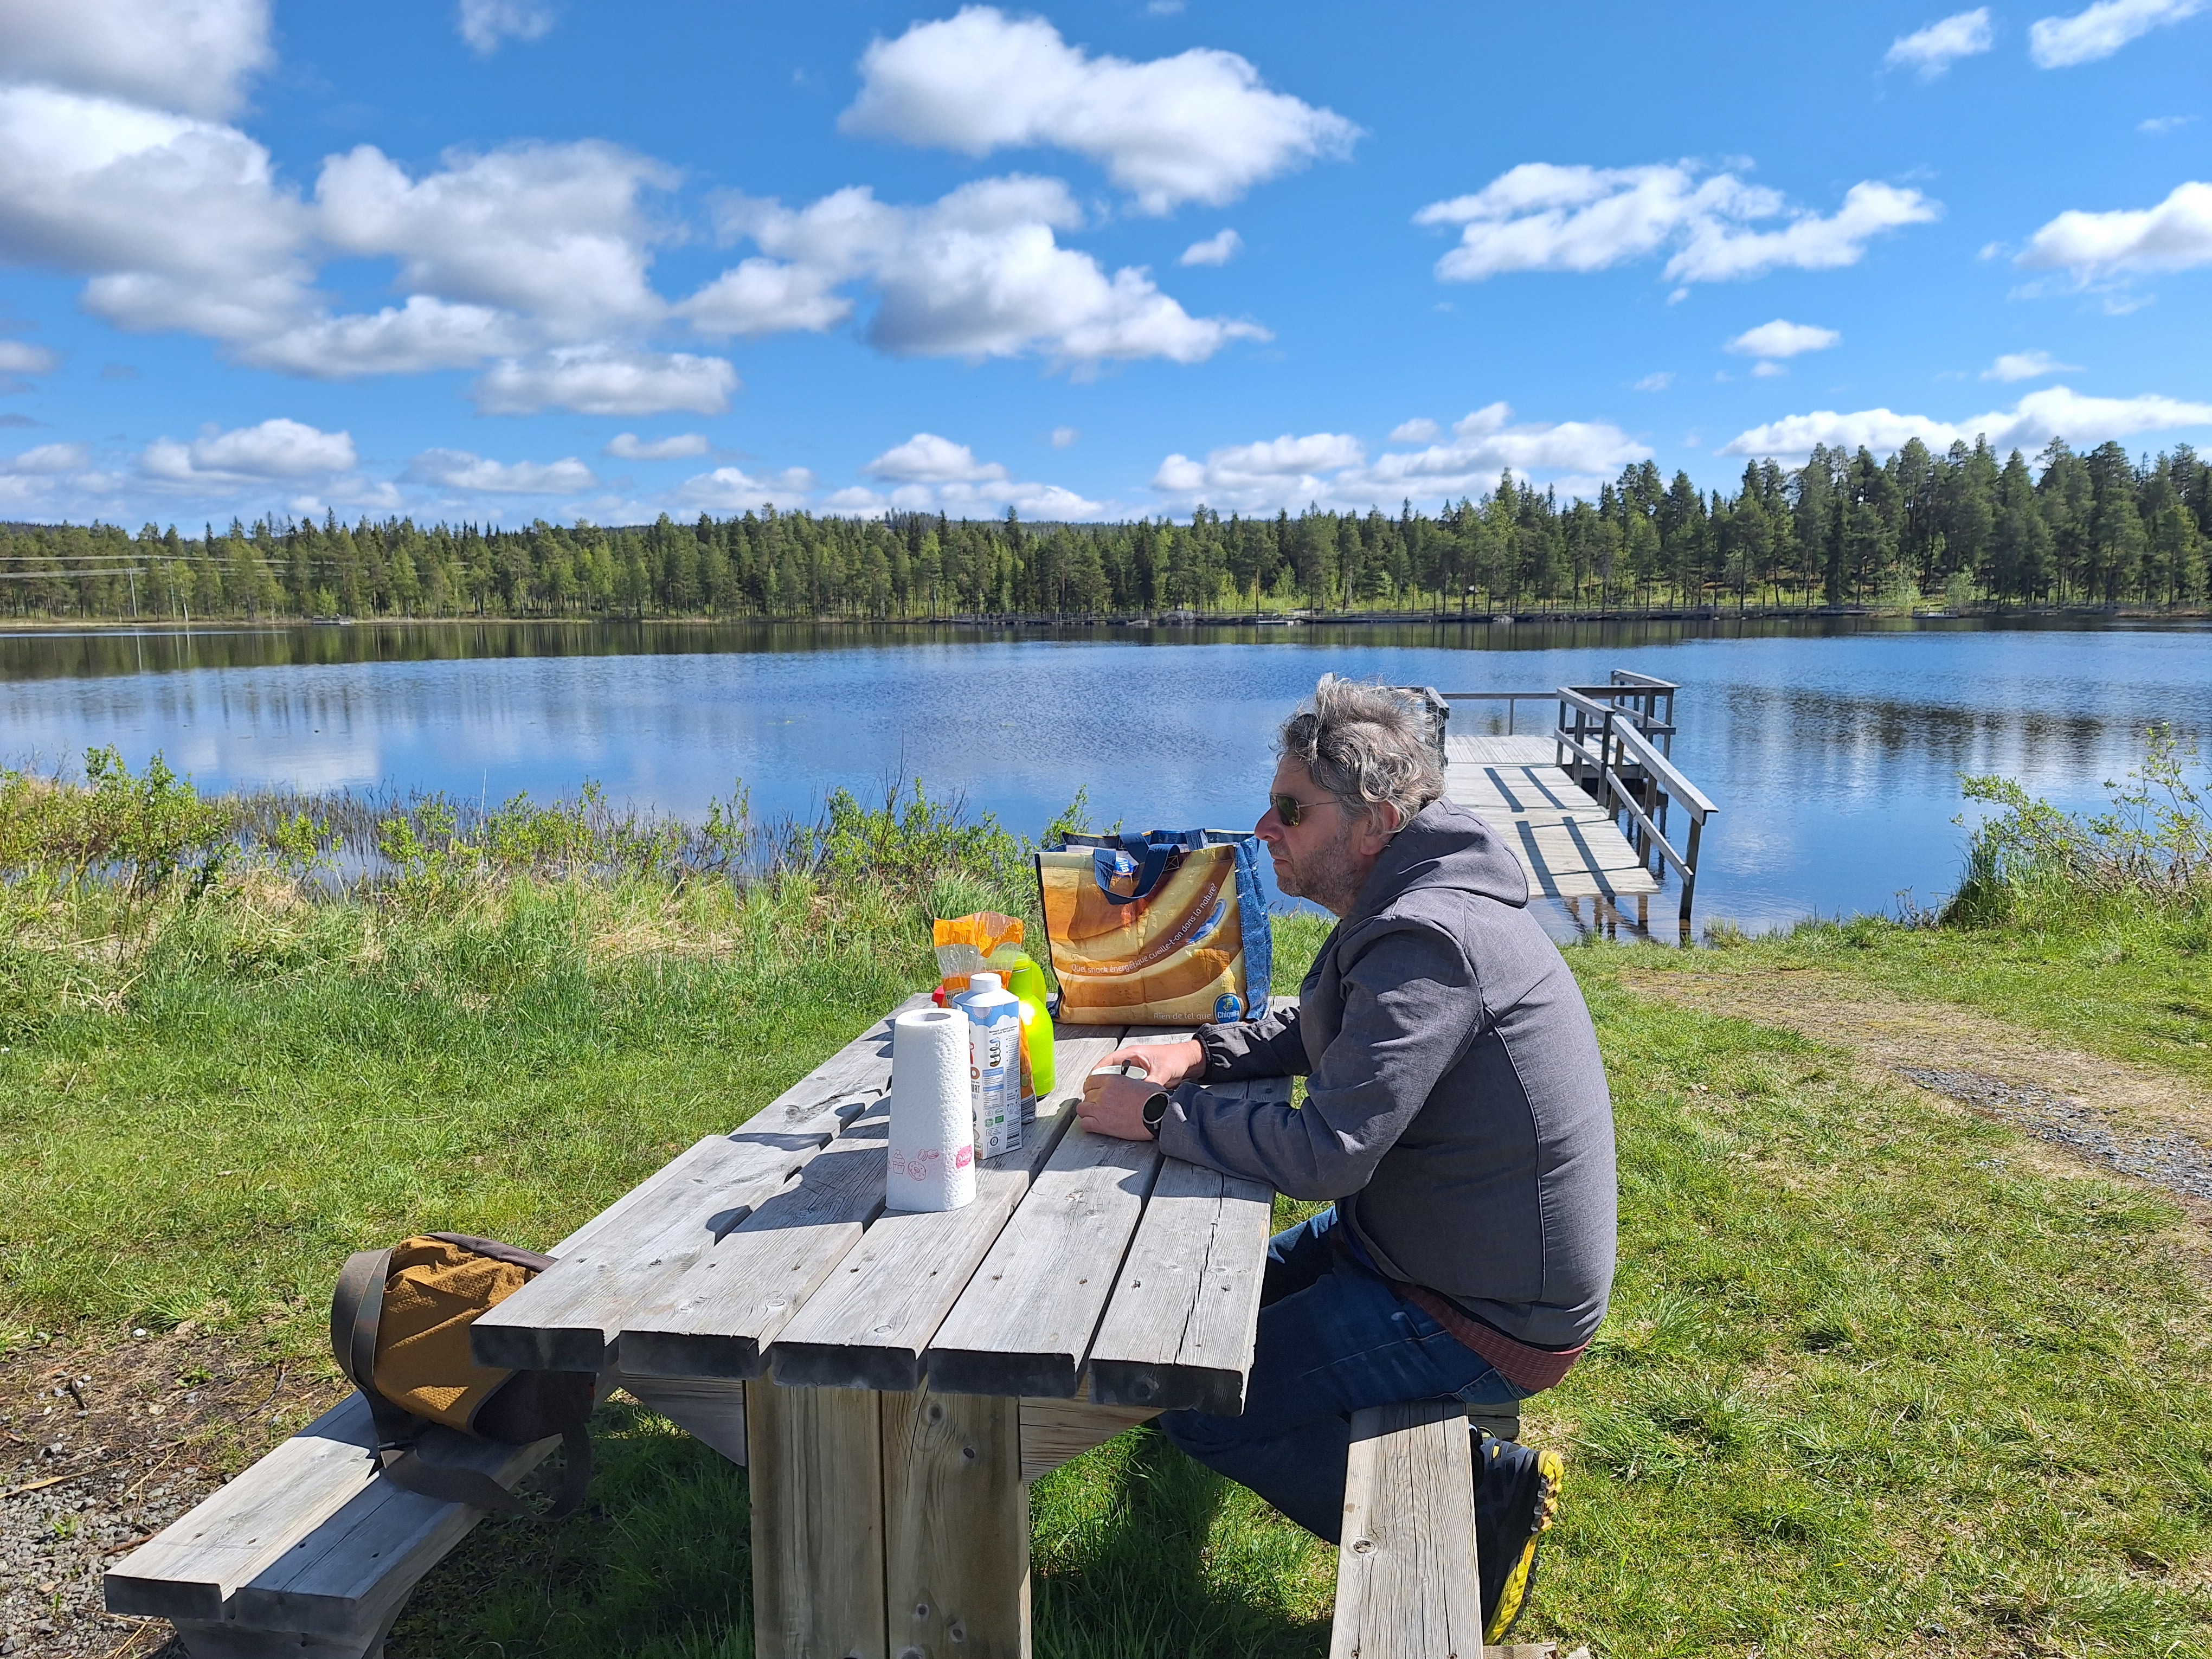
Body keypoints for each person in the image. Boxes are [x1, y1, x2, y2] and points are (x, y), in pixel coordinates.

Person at [1078, 675, 1617, 1642]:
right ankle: (1464, 1481)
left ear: (1374, 822)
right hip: (1419, 1250)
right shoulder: (1408, 900)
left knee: (1203, 1401)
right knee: (1194, 1319)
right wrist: (1201, 1053)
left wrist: (1157, 1115)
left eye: (1292, 810)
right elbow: (1332, 1022)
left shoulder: (1431, 941)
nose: (1265, 828)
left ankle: (1472, 1524)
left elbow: (1326, 1154)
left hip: (1484, 1312)